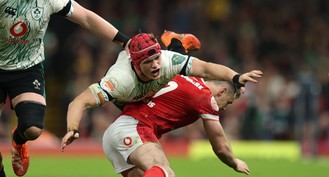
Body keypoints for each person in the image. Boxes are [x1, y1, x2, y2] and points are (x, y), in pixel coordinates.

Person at [0, 0, 130, 177]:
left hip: (27, 69)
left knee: (33, 129)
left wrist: (124, 41)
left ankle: (19, 140)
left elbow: (86, 17)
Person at [60, 31, 263, 151]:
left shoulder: (164, 61)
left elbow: (206, 68)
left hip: (149, 85)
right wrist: (73, 128)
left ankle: (176, 44)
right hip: (131, 93)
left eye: (157, 58)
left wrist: (236, 77)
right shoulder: (118, 81)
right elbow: (79, 102)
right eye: (149, 61)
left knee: (177, 76)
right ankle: (178, 43)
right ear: (138, 64)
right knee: (170, 81)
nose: (156, 64)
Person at [89, 74, 250, 177]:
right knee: (166, 171)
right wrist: (234, 162)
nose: (224, 107)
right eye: (228, 102)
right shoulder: (206, 98)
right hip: (134, 128)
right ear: (221, 91)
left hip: (114, 133)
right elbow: (220, 145)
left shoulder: (184, 75)